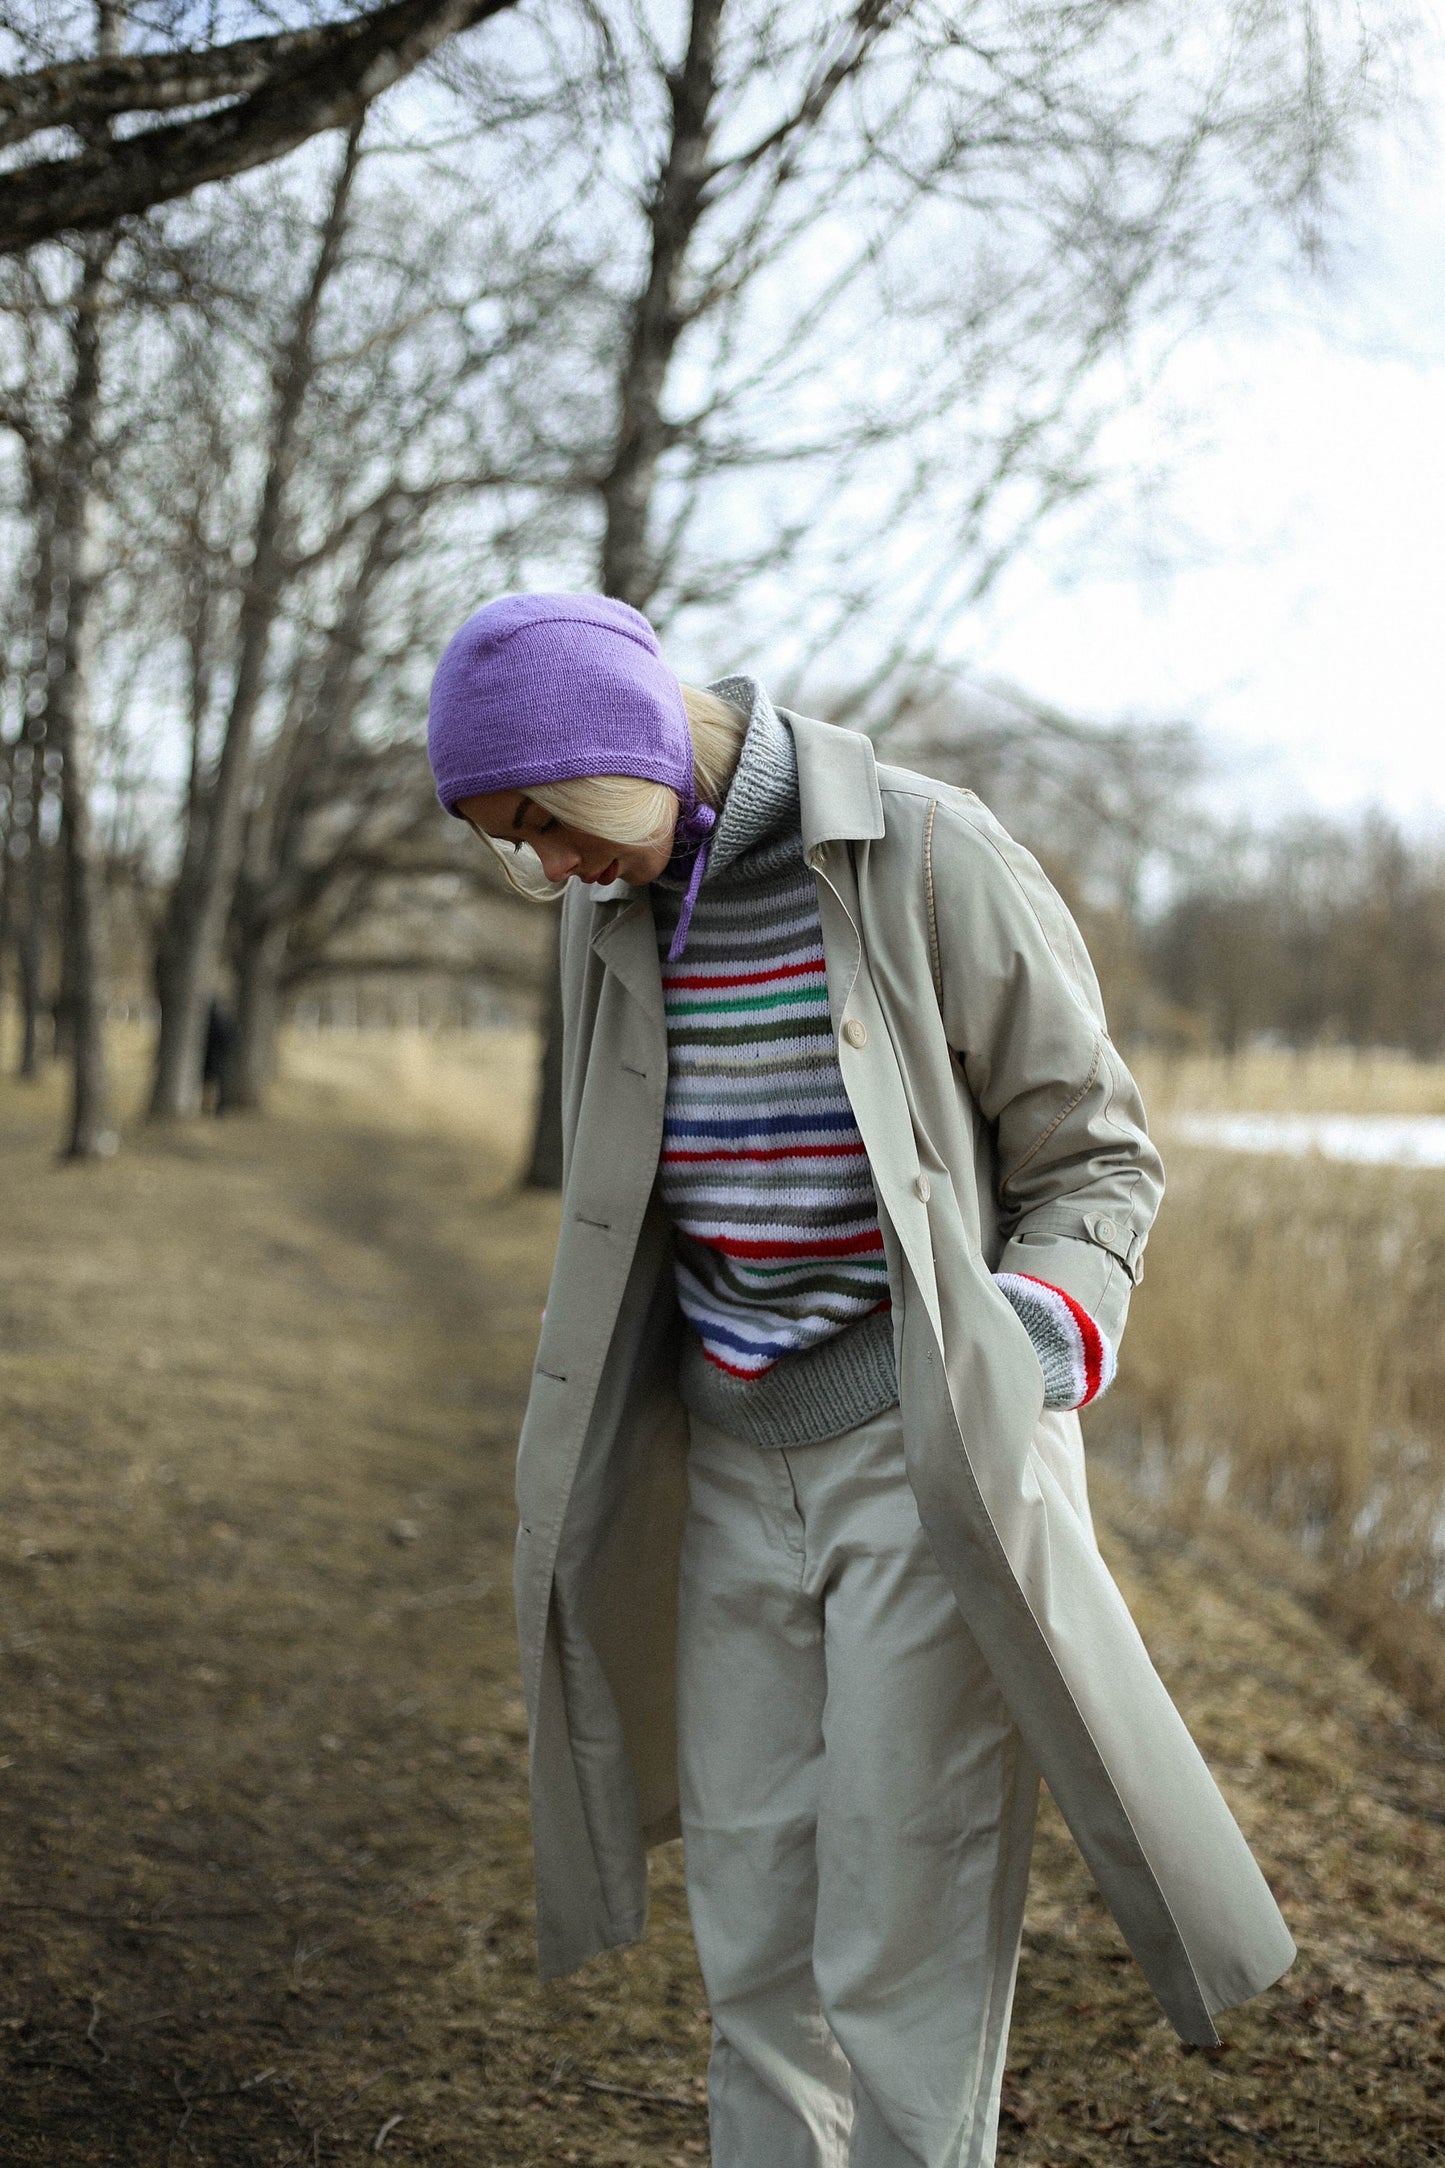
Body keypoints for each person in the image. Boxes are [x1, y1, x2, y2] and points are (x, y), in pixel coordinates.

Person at [426, 591, 1294, 2168]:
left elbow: (1096, 1158)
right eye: (510, 844)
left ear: (624, 748)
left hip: (918, 1459)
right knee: (753, 1931)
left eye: (546, 821)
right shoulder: (612, 911)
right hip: (721, 1466)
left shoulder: (926, 852)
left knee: (902, 1938)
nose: (545, 868)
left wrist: (1031, 1340)